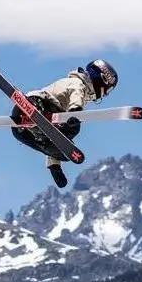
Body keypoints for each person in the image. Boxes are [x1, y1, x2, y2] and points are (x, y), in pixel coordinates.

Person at [11, 59, 118, 188]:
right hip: (39, 103)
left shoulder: (78, 87)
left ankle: (37, 134)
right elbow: (76, 95)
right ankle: (35, 120)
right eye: (107, 90)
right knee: (74, 128)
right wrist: (75, 112)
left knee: (66, 154)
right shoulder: (78, 84)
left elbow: (60, 138)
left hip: (21, 129)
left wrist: (55, 167)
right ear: (102, 80)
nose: (105, 94)